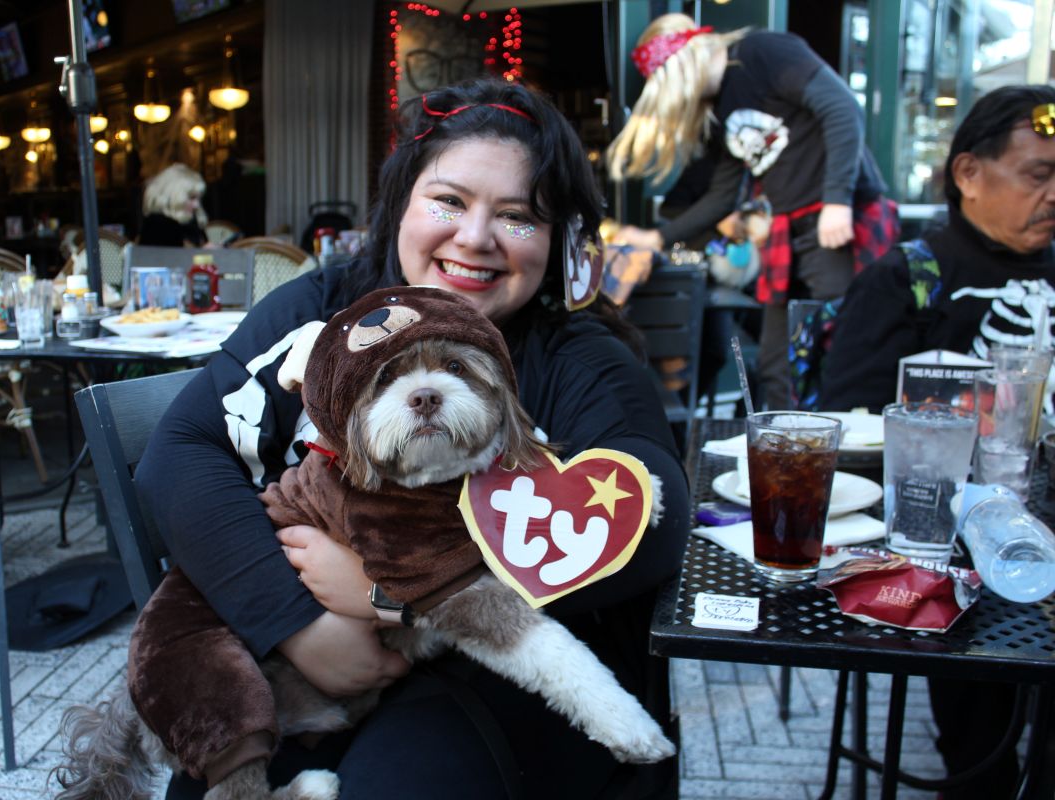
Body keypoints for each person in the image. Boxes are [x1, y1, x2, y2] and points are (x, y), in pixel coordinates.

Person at [134, 78, 691, 799]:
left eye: (518, 216)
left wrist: (392, 594)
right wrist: (295, 622)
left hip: (503, 681)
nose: (474, 237)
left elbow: (654, 522)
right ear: (401, 201)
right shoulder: (324, 307)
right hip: (297, 661)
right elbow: (178, 456)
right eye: (449, 201)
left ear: (557, 241)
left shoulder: (578, 357)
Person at [820, 84, 1055, 799]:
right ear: (968, 174)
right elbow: (848, 424)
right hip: (954, 548)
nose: (1054, 194)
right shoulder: (910, 277)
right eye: (1039, 175)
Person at [605, 13, 899, 410]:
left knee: (839, 347)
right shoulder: (723, 107)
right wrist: (657, 237)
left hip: (837, 220)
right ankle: (784, 457)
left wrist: (837, 201)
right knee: (776, 361)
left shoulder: (762, 52)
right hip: (788, 230)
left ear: (683, 65)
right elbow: (724, 194)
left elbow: (842, 108)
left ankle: (846, 456)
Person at [139, 163, 207, 247]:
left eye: (198, 198)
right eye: (191, 198)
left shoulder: (190, 221)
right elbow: (167, 258)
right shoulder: (158, 225)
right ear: (173, 195)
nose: (197, 205)